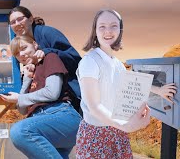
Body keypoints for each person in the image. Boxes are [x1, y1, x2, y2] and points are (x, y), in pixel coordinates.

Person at [75, 9, 177, 158]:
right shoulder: (90, 61)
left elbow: (132, 82)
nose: (108, 31)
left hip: (118, 133)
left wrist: (160, 90)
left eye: (113, 26)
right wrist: (124, 125)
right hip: (96, 135)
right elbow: (94, 106)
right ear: (95, 31)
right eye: (102, 26)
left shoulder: (117, 64)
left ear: (120, 30)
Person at [0, 35, 81, 159]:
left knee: (20, 131)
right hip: (43, 124)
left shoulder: (49, 58)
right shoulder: (30, 73)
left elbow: (52, 92)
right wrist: (27, 79)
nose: (21, 54)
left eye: (24, 48)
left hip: (60, 115)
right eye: (17, 53)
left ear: (35, 44)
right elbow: (22, 109)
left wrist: (19, 98)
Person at [8, 6, 82, 114]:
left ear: (31, 19)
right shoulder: (21, 46)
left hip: (71, 95)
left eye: (20, 19)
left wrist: (48, 52)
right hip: (45, 104)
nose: (17, 23)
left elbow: (75, 60)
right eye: (13, 22)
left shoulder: (47, 33)